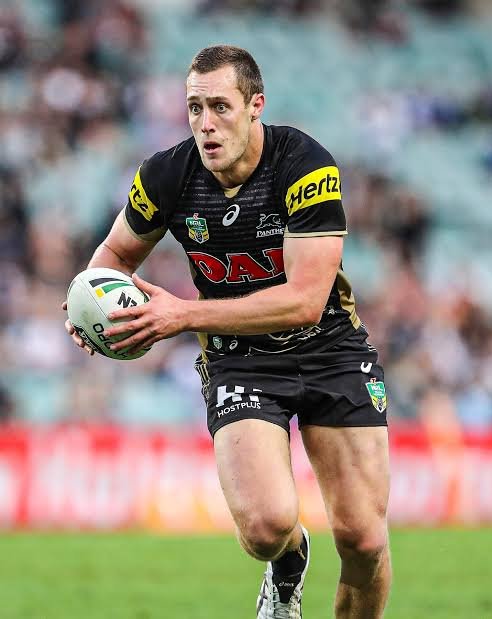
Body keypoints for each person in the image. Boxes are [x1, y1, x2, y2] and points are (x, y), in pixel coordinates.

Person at [64, 45, 391, 618]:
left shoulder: (305, 167)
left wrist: (183, 315)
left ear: (255, 106)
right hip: (240, 358)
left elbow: (305, 302)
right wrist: (90, 305)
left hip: (332, 348)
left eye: (220, 106)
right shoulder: (166, 175)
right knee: (265, 529)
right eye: (195, 108)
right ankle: (288, 560)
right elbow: (114, 256)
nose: (205, 123)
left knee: (362, 539)